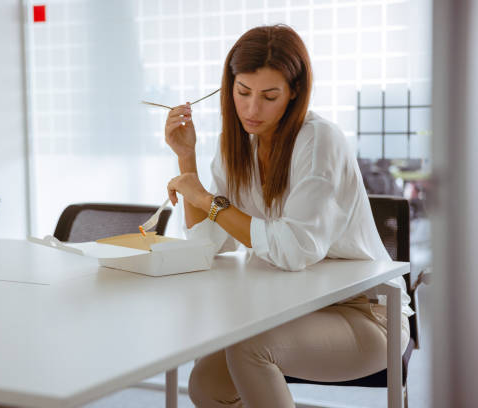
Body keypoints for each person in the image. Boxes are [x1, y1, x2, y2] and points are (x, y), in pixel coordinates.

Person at [164, 25, 413, 408]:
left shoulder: (320, 140)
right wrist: (187, 160)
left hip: (367, 316)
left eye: (269, 96)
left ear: (294, 92)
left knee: (250, 349)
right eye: (243, 92)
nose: (251, 109)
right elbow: (207, 243)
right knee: (205, 385)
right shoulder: (236, 146)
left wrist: (206, 199)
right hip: (285, 310)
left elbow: (293, 250)